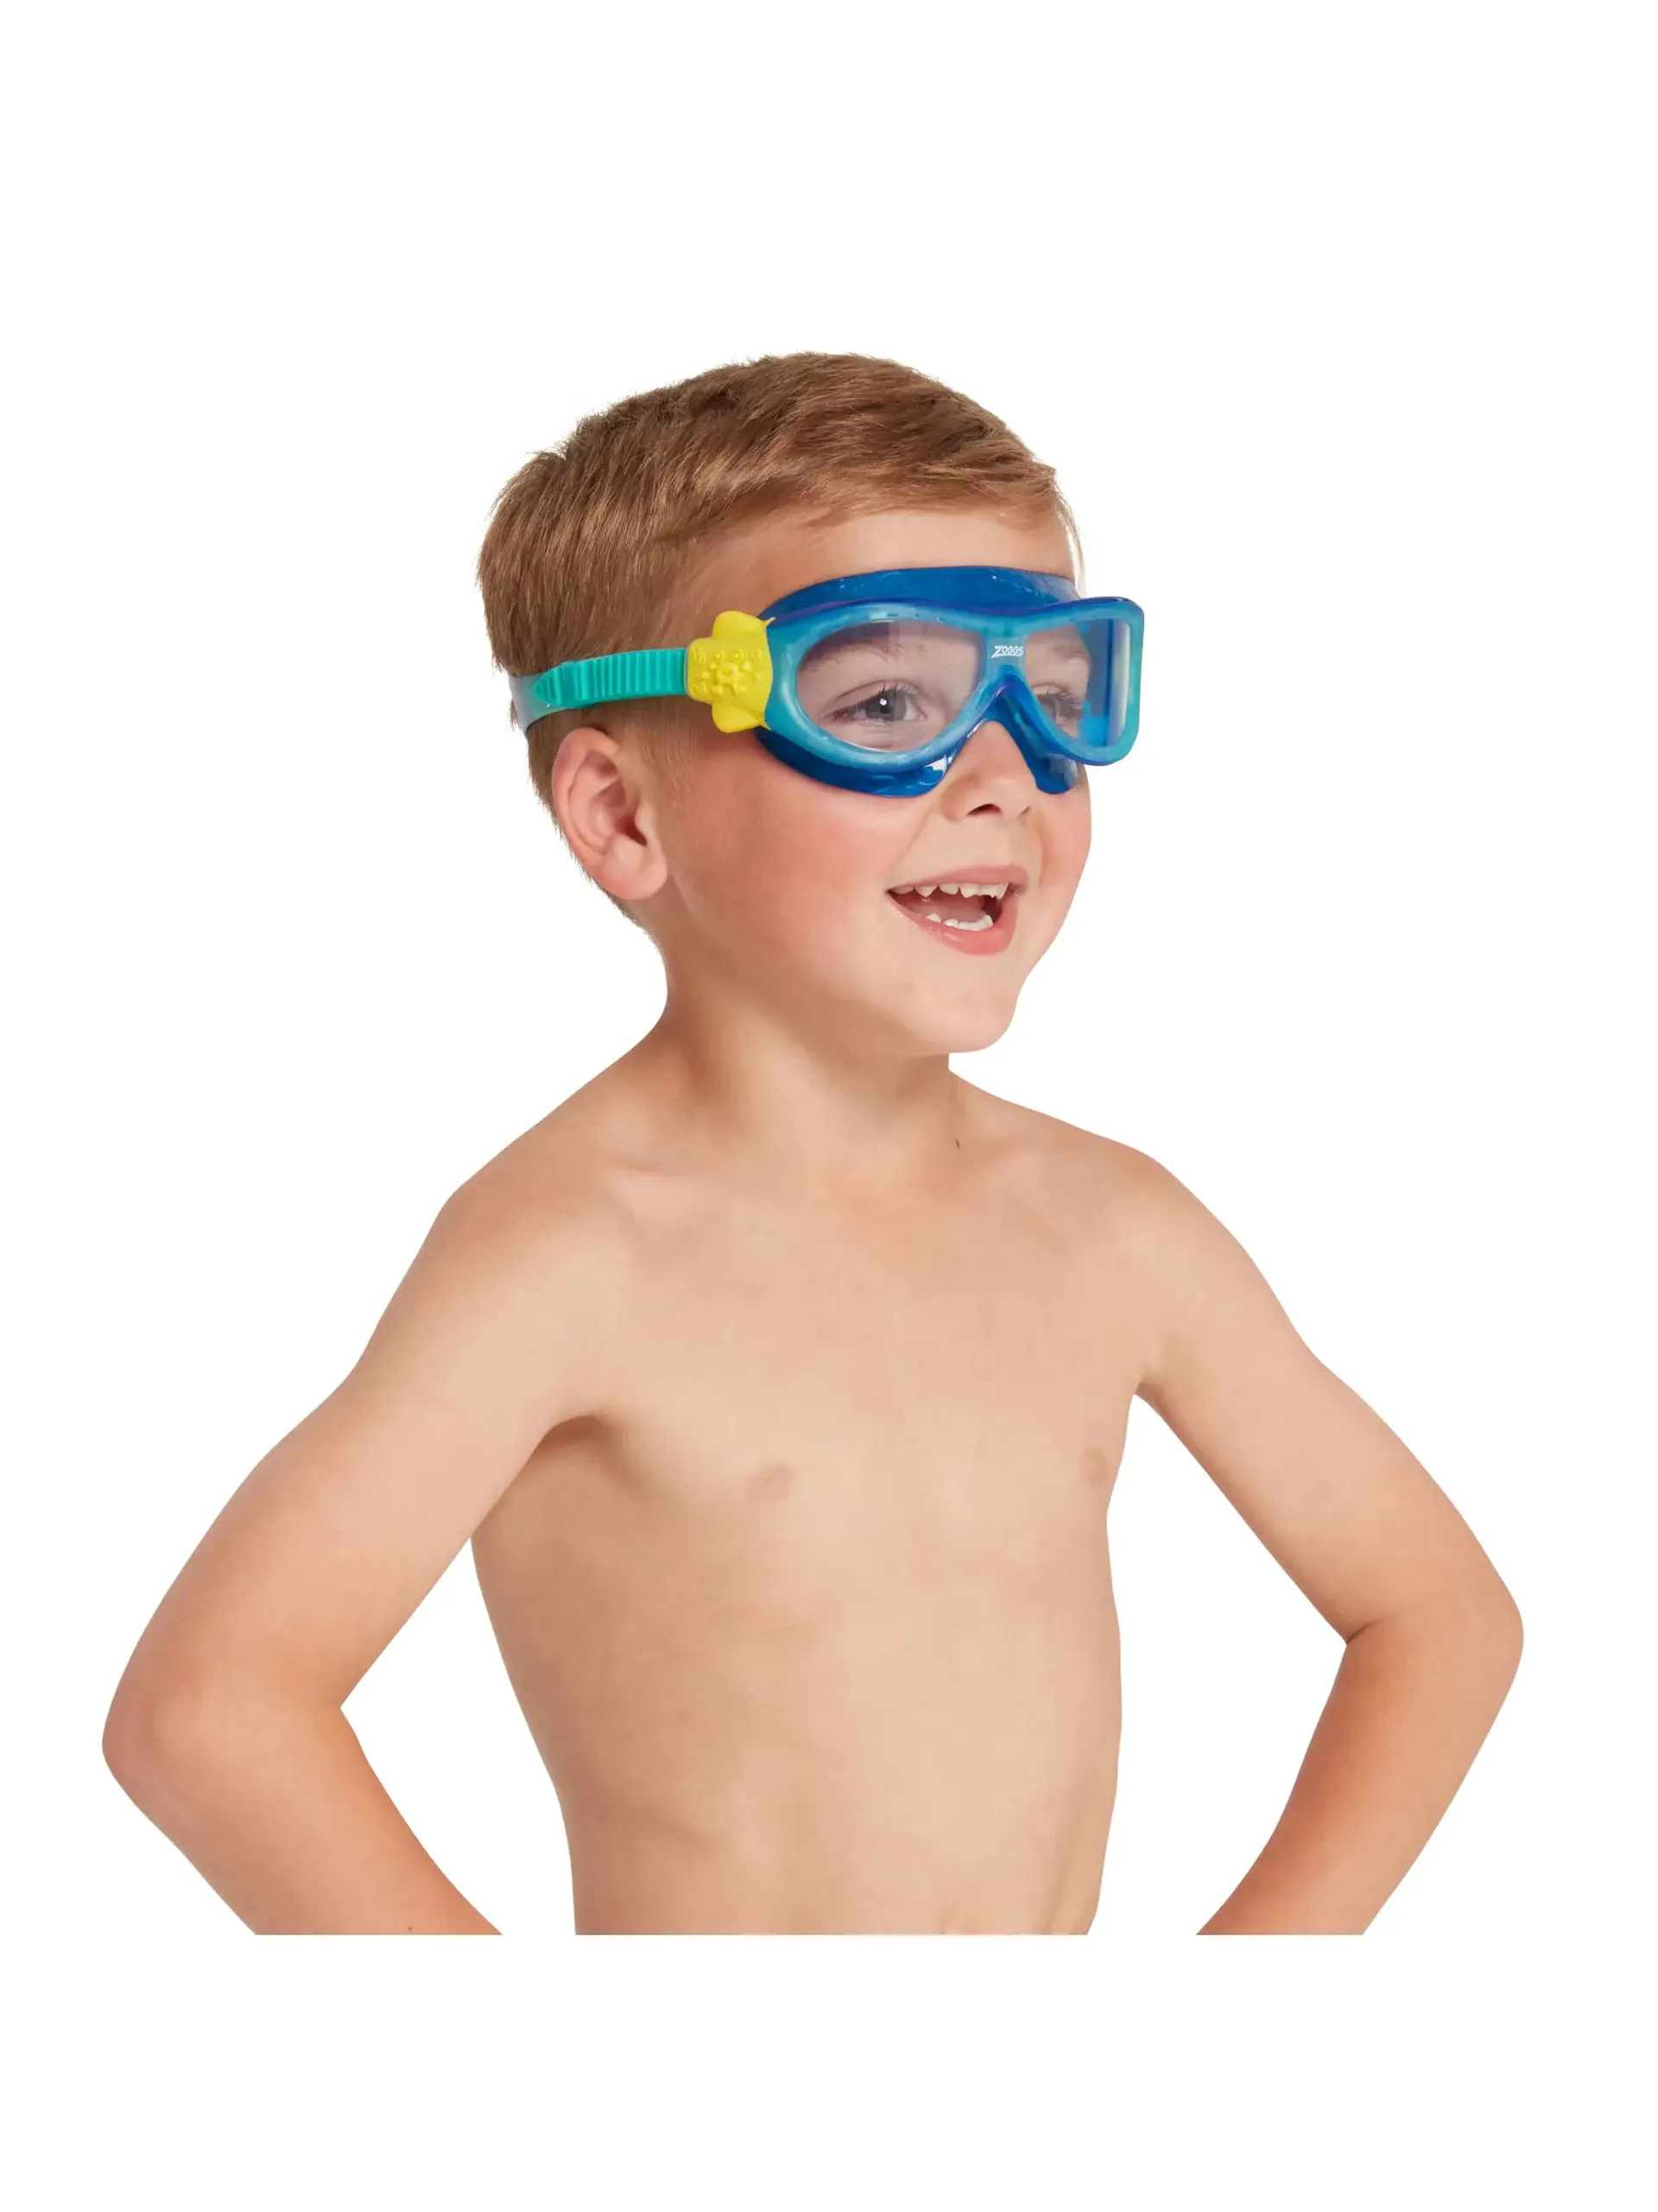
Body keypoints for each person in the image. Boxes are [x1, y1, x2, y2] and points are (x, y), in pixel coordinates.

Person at [102, 352, 1522, 1934]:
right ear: (620, 815)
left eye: (1052, 696)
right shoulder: (574, 1254)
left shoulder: (1117, 1229)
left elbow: (1436, 1612)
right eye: (885, 703)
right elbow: (212, 1711)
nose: (1003, 779)